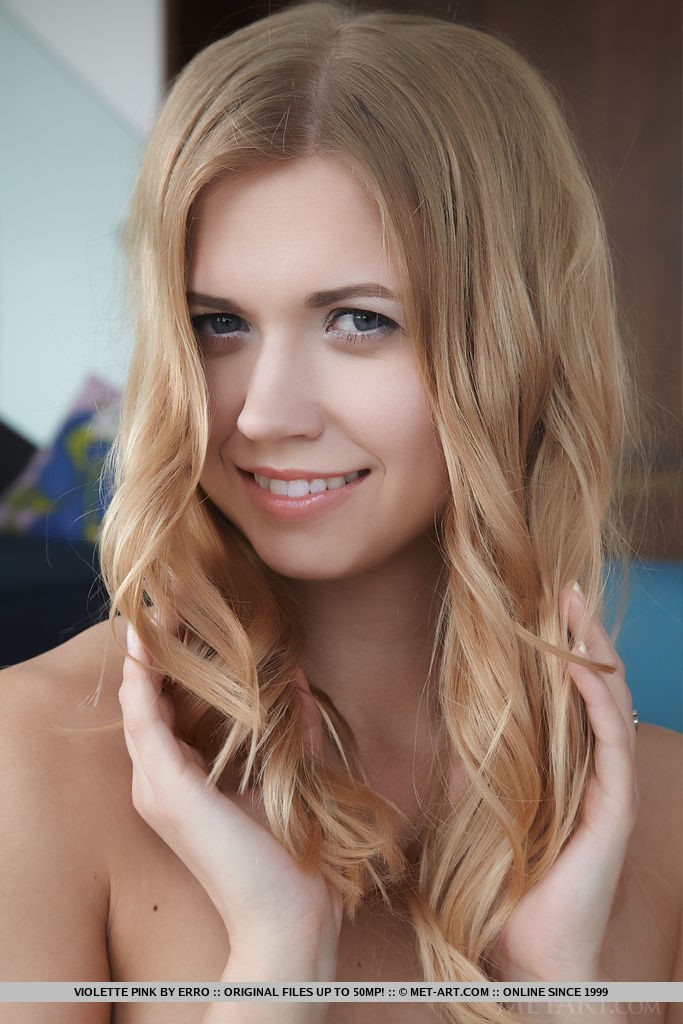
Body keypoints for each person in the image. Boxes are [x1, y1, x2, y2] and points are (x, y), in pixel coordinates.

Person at [0, 2, 680, 1022]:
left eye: (357, 319)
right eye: (217, 324)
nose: (263, 414)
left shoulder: (657, 813)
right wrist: (274, 968)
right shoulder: (29, 760)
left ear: (516, 346)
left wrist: (564, 993)